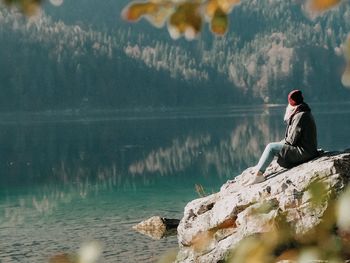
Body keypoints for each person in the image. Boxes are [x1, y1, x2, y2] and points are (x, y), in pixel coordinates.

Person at [245, 89, 318, 186]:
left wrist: (280, 145)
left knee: (271, 147)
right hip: (307, 150)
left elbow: (291, 140)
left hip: (304, 152)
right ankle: (258, 171)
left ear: (291, 102)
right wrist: (281, 144)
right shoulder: (303, 111)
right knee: (276, 146)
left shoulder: (300, 115)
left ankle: (258, 176)